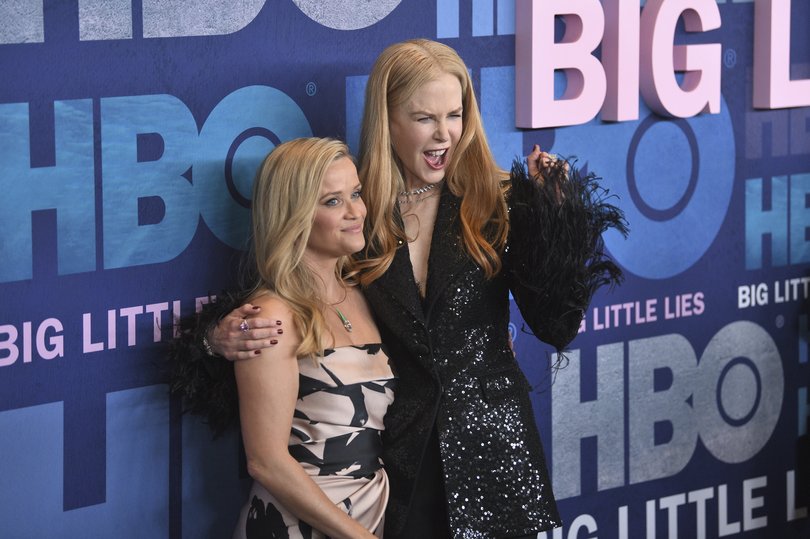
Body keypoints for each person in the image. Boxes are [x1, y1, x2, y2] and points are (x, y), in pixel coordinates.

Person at [196, 39, 627, 538]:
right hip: (398, 464)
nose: (444, 134)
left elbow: (558, 326)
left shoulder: (499, 200)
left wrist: (559, 221)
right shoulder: (357, 209)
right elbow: (298, 287)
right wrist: (215, 338)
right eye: (424, 118)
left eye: (455, 114)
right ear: (388, 120)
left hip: (495, 455)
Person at [173, 137, 396, 538]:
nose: (356, 211)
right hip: (295, 526)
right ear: (294, 216)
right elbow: (266, 461)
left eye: (356, 194)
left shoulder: (367, 295)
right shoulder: (271, 316)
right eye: (333, 201)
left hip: (372, 513)